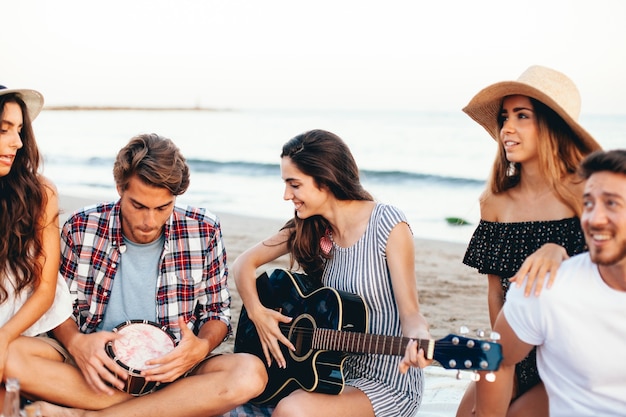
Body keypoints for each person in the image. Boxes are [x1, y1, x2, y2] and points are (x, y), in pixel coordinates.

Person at [6, 133, 267, 416]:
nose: (149, 221)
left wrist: (200, 347)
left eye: (162, 208)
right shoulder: (81, 225)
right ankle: (167, 408)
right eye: (139, 206)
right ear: (120, 188)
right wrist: (76, 343)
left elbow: (216, 312)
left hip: (173, 370)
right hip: (95, 369)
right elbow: (58, 308)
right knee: (7, 354)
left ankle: (88, 413)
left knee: (250, 373)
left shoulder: (204, 228)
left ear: (176, 197)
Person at [230, 129, 432, 417]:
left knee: (292, 410)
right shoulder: (309, 227)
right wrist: (257, 313)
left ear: (324, 181)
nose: (286, 195)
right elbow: (243, 264)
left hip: (387, 381)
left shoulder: (387, 224)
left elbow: (411, 313)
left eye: (294, 184)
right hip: (325, 373)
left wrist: (420, 338)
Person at [456, 65, 602, 417]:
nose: (507, 128)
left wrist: (561, 253)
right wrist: (503, 360)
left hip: (574, 354)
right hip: (513, 346)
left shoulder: (587, 195)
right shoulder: (494, 203)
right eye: (505, 117)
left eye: (523, 116)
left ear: (552, 125)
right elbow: (496, 293)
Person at [474, 149, 626, 417]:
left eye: (612, 203)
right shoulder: (544, 288)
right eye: (588, 204)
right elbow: (495, 358)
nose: (594, 218)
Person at [0, 85, 72, 406]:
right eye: (4, 130)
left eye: (19, 130)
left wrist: (3, 337)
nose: (17, 142)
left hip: (31, 339)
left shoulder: (40, 194)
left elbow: (45, 291)